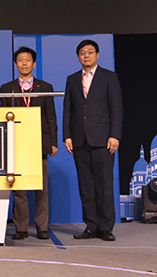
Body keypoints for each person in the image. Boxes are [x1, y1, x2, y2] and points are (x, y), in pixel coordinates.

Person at [62, 39, 123, 242]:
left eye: (90, 52)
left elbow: (116, 108)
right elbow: (68, 109)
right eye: (82, 53)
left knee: (104, 186)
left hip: (103, 139)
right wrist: (67, 135)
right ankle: (91, 226)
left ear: (97, 55)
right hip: (79, 140)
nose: (86, 56)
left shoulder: (109, 77)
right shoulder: (72, 79)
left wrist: (115, 135)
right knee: (86, 187)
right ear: (78, 56)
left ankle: (105, 228)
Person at [0, 47, 57, 240]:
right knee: (19, 188)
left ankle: (42, 227)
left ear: (34, 64)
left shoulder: (45, 87)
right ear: (16, 65)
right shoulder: (7, 88)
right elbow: (2, 117)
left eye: (27, 60)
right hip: (16, 144)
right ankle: (21, 228)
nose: (24, 63)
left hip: (39, 142)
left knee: (42, 188)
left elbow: (51, 117)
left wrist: (53, 142)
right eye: (20, 60)